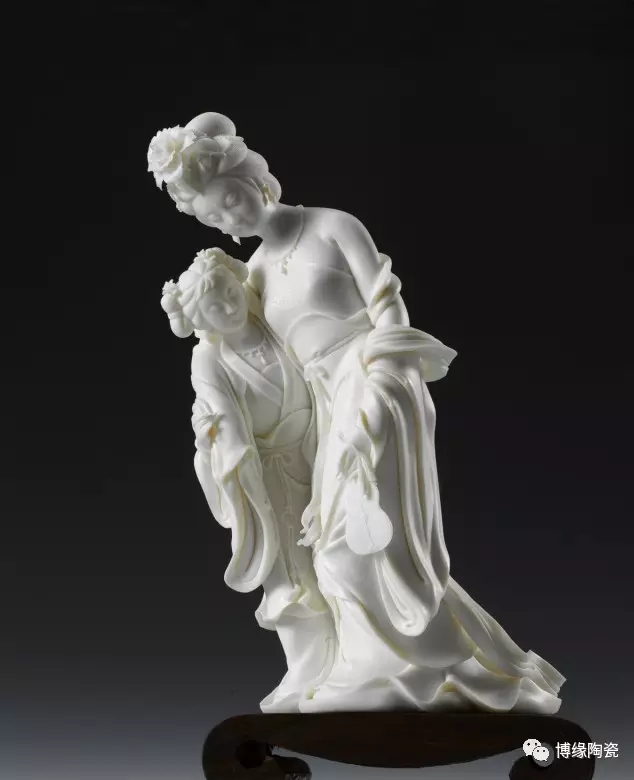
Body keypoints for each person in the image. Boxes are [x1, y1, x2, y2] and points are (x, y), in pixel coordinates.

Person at [150, 113, 565, 714]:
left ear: (255, 177)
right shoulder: (255, 274)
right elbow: (257, 354)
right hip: (328, 406)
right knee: (330, 547)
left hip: (379, 380)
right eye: (216, 217)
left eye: (232, 200)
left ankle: (412, 668)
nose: (232, 219)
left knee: (368, 536)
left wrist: (379, 385)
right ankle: (380, 666)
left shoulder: (333, 227)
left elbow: (388, 306)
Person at [160, 247, 335, 713]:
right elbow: (227, 425)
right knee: (290, 574)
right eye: (215, 308)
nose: (229, 307)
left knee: (335, 560)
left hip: (317, 452)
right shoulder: (209, 360)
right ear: (203, 322)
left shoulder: (274, 322)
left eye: (229, 293)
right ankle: (308, 671)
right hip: (267, 477)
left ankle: (351, 663)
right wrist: (218, 447)